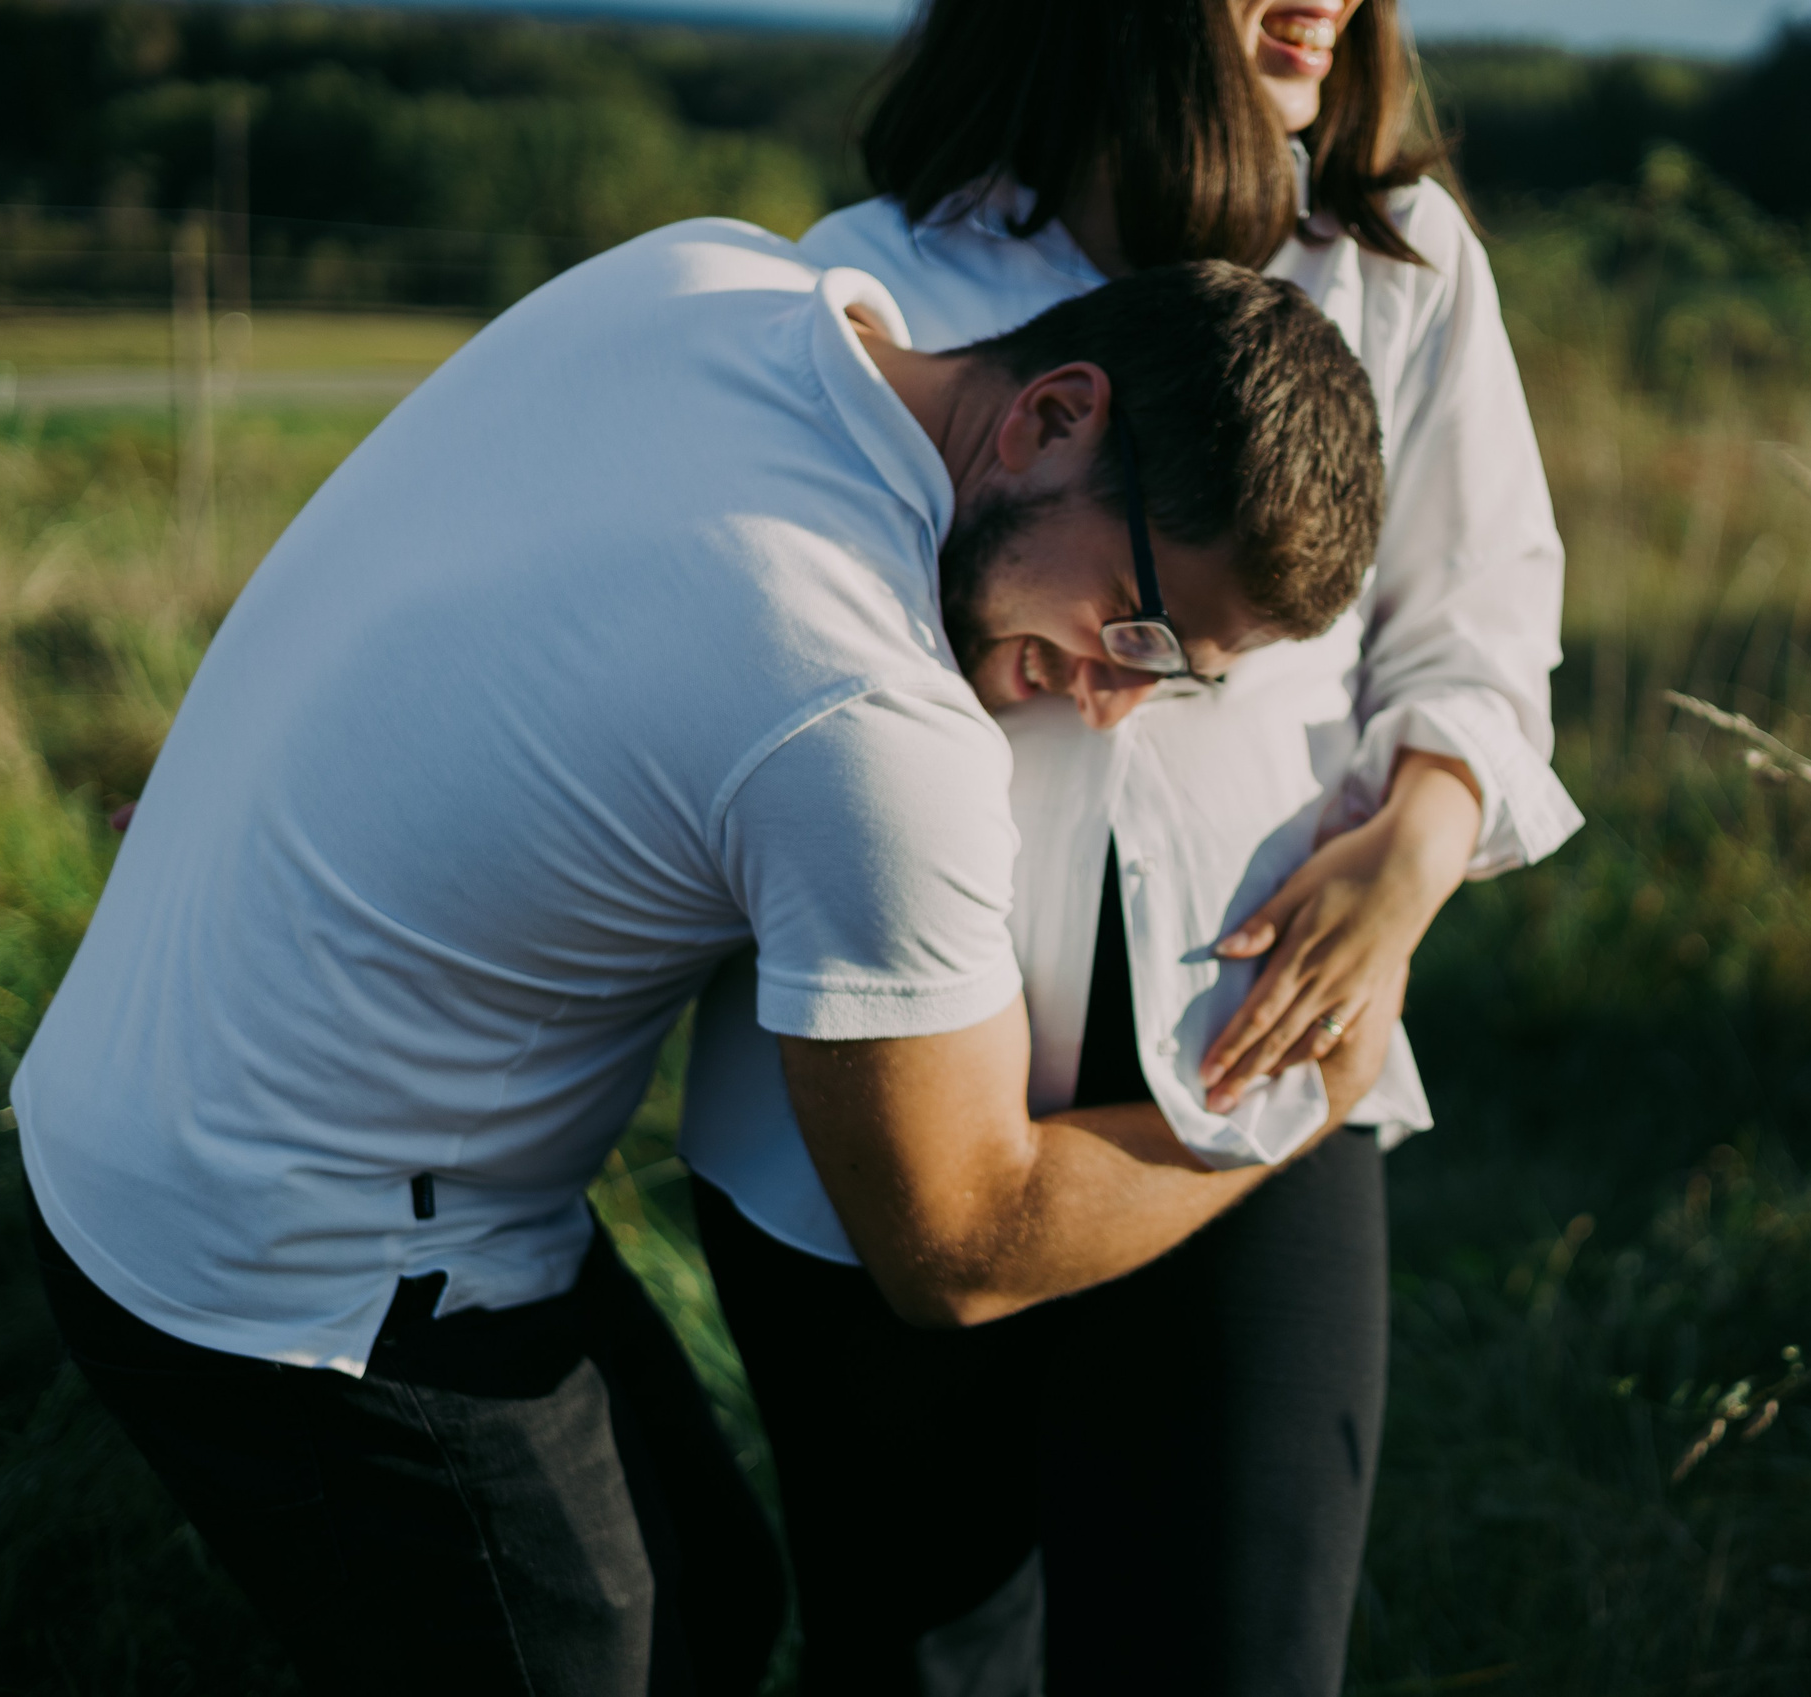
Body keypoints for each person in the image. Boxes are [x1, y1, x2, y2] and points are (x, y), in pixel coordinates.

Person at [10, 222, 1390, 1697]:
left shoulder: (708, 281)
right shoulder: (868, 716)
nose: (1114, 703)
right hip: (298, 1256)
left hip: (141, 1061)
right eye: (1141, 630)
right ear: (1054, 414)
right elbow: (961, 1241)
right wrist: (1285, 1110)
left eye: (1180, 682)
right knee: (644, 1661)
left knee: (716, 1600)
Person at [674, 1, 1583, 1692]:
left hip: (1255, 1082)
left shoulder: (1399, 266)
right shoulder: (882, 278)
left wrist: (1419, 856)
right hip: (873, 1122)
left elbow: (1479, 627)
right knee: (924, 1658)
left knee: (1240, 1655)